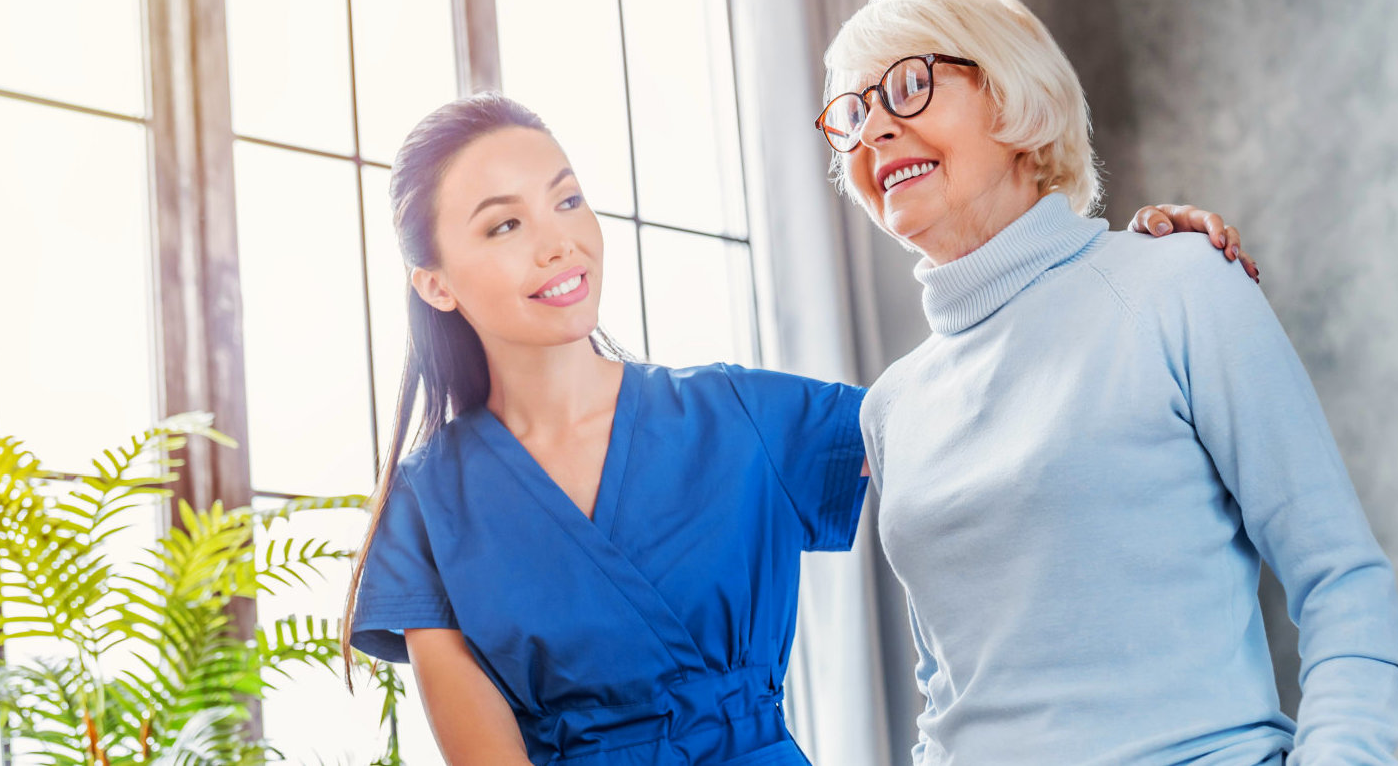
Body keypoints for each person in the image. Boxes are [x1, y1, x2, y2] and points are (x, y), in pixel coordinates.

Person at [341, 92, 1246, 764]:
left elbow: (999, 416)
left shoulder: (740, 416)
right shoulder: (428, 505)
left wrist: (1128, 273)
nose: (558, 243)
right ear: (436, 282)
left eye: (567, 200)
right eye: (504, 225)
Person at [818, 0, 1398, 765]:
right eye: (854, 113)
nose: (875, 131)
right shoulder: (892, 407)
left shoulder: (1181, 285)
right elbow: (951, 690)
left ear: (1014, 99)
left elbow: (1343, 578)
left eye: (908, 85)